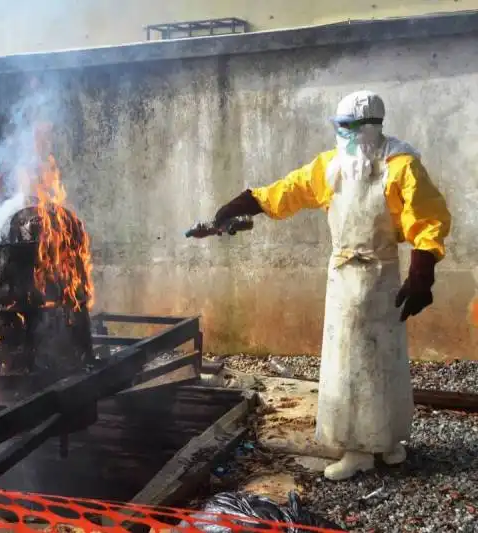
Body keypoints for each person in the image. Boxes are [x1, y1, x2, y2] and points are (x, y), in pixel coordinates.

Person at [188, 90, 451, 481]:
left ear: (368, 129)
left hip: (381, 275)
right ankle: (368, 444)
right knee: (352, 359)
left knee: (381, 359)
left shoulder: (401, 166)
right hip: (344, 275)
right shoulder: (331, 167)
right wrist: (238, 206)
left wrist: (422, 270)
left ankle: (377, 444)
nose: (341, 135)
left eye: (346, 127)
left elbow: (426, 217)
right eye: (338, 127)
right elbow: (288, 191)